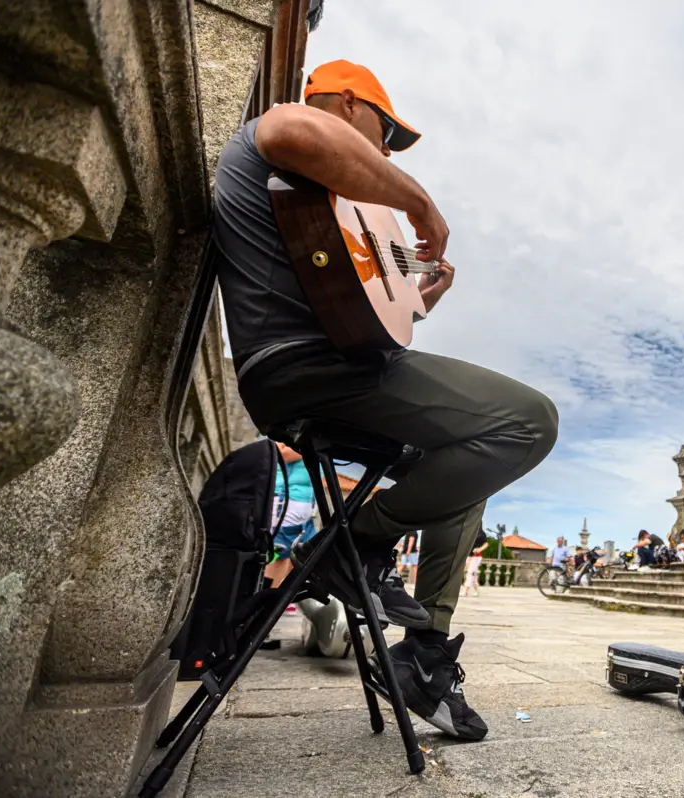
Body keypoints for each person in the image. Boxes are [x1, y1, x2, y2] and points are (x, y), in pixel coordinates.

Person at [215, 59, 558, 742]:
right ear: (344, 104)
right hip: (309, 373)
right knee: (528, 421)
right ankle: (357, 546)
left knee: (470, 470)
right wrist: (419, 200)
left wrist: (421, 296)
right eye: (385, 132)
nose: (388, 151)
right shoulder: (279, 135)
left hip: (336, 367)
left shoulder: (328, 202)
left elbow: (370, 310)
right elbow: (291, 129)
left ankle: (425, 657)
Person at [263, 442, 318, 589]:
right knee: (275, 555)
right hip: (286, 502)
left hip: (301, 504)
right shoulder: (300, 433)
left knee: (289, 554)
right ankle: (261, 598)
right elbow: (280, 453)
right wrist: (311, 446)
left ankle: (272, 598)